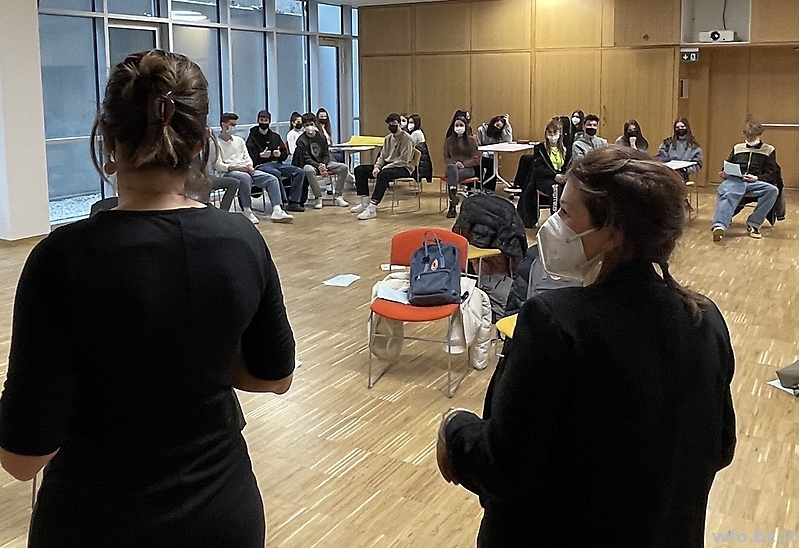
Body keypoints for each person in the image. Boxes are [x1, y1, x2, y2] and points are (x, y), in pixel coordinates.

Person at [0, 49, 296, 547]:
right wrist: (195, 361)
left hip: (95, 521)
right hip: (224, 515)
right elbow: (275, 377)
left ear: (108, 140)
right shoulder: (242, 241)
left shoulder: (61, 259)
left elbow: (22, 459)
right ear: (199, 144)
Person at [437, 145, 736, 548]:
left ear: (613, 232)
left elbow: (505, 466)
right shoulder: (706, 318)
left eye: (565, 212)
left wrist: (455, 429)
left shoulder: (554, 322)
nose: (553, 224)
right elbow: (720, 447)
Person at [214, 112, 293, 223]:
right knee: (245, 178)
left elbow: (247, 157)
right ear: (223, 125)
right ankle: (247, 210)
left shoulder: (239, 140)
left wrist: (250, 165)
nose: (234, 128)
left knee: (272, 179)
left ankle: (277, 209)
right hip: (229, 172)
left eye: (235, 125)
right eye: (231, 125)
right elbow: (218, 165)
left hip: (246, 169)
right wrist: (237, 168)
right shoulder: (216, 143)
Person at [711, 117, 780, 241]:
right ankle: (719, 226)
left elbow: (771, 173)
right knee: (727, 192)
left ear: (759, 135)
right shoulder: (738, 147)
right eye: (748, 136)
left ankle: (754, 223)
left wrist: (757, 178)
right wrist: (725, 173)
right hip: (735, 180)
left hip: (755, 182)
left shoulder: (769, 150)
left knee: (772, 191)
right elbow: (728, 165)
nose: (749, 139)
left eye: (752, 137)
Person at [351, 113, 415, 220]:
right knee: (360, 170)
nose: (391, 126)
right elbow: (382, 156)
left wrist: (386, 167)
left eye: (394, 123)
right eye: (390, 124)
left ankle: (372, 206)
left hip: (403, 168)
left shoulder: (407, 139)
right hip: (388, 165)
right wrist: (377, 167)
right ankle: (364, 202)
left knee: (384, 174)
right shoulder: (388, 138)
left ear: (400, 124)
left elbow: (404, 160)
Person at [246, 110, 307, 213]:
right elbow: (249, 157)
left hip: (277, 163)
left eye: (266, 120)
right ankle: (281, 202)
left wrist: (280, 154)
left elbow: (284, 154)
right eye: (261, 120)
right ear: (258, 121)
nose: (263, 122)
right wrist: (260, 156)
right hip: (261, 165)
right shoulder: (252, 138)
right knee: (275, 173)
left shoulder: (275, 136)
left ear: (269, 122)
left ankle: (294, 201)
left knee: (300, 172)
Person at [518, 118, 570, 228]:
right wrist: (554, 176)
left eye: (555, 132)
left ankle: (569, 219)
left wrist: (565, 176)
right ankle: (555, 220)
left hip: (562, 178)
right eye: (549, 132)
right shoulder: (540, 148)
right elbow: (538, 169)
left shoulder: (565, 149)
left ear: (560, 133)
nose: (552, 135)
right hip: (544, 179)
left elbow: (569, 165)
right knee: (555, 188)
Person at [292, 112, 349, 208]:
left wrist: (323, 165)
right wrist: (319, 166)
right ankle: (318, 197)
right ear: (303, 126)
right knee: (308, 170)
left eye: (311, 124)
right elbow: (306, 158)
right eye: (306, 125)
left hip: (324, 163)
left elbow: (326, 154)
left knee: (343, 168)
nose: (309, 127)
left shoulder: (321, 137)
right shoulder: (301, 141)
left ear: (315, 124)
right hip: (311, 164)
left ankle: (338, 195)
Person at [443, 116, 479, 219]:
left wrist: (463, 164)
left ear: (465, 126)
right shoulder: (449, 141)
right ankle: (453, 198)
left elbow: (474, 158)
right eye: (457, 125)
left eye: (461, 125)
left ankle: (452, 204)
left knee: (452, 176)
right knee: (452, 169)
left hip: (467, 169)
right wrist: (455, 163)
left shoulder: (471, 141)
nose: (459, 127)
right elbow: (446, 157)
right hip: (452, 167)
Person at [476, 114, 513, 192]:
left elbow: (508, 141)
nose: (497, 128)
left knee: (493, 163)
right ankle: (483, 186)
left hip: (493, 155)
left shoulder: (500, 132)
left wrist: (507, 126)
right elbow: (477, 145)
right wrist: (486, 152)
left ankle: (489, 188)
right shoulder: (481, 130)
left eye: (500, 127)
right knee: (490, 163)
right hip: (481, 155)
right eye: (497, 125)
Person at [408, 113, 432, 182]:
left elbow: (409, 146)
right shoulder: (420, 132)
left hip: (418, 163)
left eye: (411, 122)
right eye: (409, 122)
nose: (409, 124)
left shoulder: (415, 133)